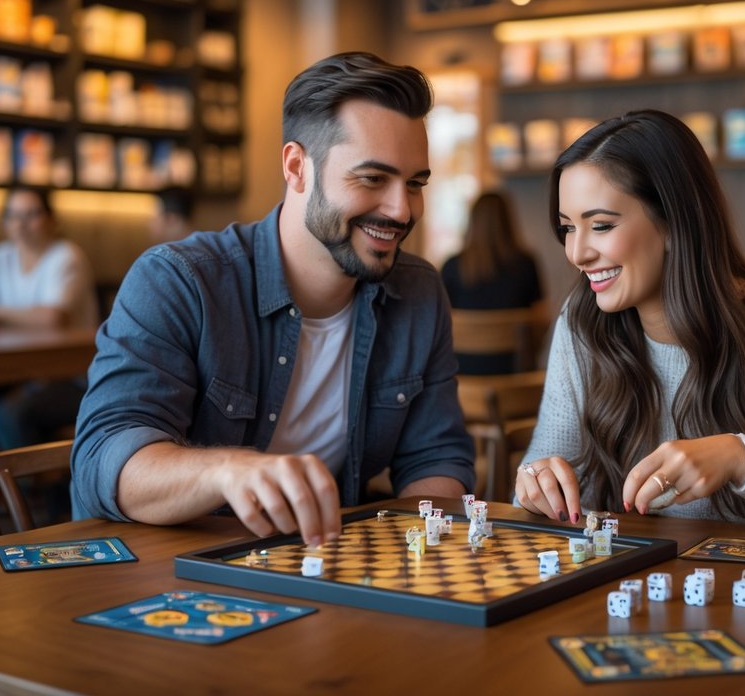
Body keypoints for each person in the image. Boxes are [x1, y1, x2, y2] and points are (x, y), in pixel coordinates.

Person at [70, 52, 476, 547]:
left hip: (324, 567)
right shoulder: (179, 280)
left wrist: (424, 553)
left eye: (414, 184)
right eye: (372, 179)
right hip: (167, 577)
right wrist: (228, 471)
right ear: (296, 167)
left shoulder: (418, 291)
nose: (401, 209)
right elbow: (103, 459)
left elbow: (435, 459)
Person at [515, 110, 745, 534]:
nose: (576, 253)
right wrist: (536, 485)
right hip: (627, 587)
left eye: (600, 225)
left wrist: (741, 459)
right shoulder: (582, 321)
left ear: (675, 222)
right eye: (567, 228)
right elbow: (537, 487)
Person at [0, 186, 99, 449]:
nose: (21, 224)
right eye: (13, 215)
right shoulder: (0, 256)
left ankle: (25, 489)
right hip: (16, 372)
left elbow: (52, 317)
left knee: (10, 413)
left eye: (32, 214)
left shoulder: (66, 256)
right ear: (4, 222)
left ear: (52, 219)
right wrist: (15, 314)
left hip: (72, 376)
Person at [440, 190, 544, 374]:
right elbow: (541, 323)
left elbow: (439, 327)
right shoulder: (526, 264)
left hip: (462, 380)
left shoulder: (451, 267)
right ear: (508, 222)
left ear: (472, 222)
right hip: (515, 378)